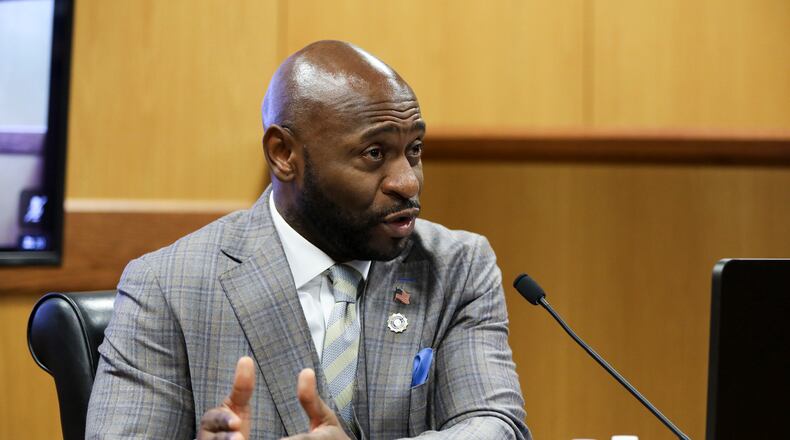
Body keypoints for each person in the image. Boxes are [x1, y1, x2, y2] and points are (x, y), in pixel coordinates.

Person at [86, 40, 530, 440]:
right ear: (284, 154)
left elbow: (495, 424)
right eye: (374, 153)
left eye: (413, 150)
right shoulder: (168, 287)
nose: (407, 182)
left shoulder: (456, 265)